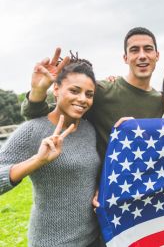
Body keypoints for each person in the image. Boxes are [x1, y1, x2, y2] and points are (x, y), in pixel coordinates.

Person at [0, 53, 103, 246]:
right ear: (56, 89)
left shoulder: (89, 129)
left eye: (89, 94)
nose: (82, 99)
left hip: (91, 239)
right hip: (52, 241)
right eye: (74, 91)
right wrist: (37, 161)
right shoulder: (33, 130)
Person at [21, 27, 163, 160]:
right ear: (125, 58)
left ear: (157, 55)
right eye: (134, 50)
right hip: (107, 184)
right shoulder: (100, 91)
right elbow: (38, 114)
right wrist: (38, 91)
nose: (142, 55)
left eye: (148, 49)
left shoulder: (163, 102)